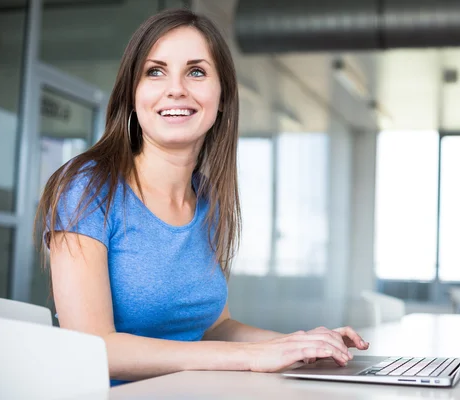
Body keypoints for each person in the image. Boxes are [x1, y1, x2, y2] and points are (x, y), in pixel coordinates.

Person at [35, 8, 369, 386]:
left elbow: (213, 328)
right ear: (132, 94)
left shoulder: (209, 200)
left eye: (196, 72)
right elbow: (94, 347)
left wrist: (300, 345)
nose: (176, 88)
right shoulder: (87, 188)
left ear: (222, 95)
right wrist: (251, 357)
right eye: (154, 71)